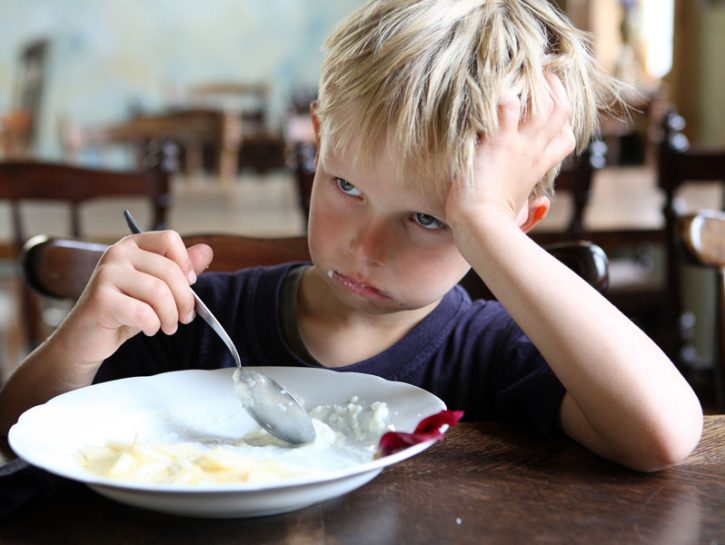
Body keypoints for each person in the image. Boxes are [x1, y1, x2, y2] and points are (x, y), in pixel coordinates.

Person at [0, 0, 702, 471]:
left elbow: (663, 436)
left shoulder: (491, 350)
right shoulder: (202, 320)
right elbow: (18, 432)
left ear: (510, 233)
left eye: (430, 218)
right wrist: (86, 333)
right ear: (318, 138)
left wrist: (482, 218)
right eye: (346, 187)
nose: (366, 248)